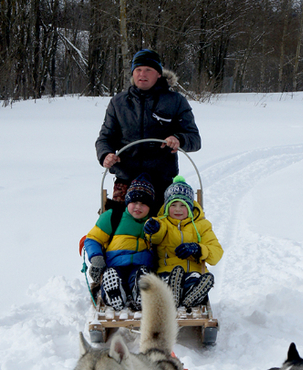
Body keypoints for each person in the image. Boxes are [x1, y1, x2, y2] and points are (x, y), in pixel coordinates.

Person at [95, 49, 201, 209]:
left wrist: (179, 139)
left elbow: (194, 139)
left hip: (161, 182)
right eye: (138, 69)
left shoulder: (175, 101)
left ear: (159, 74)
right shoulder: (119, 103)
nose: (142, 74)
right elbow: (105, 138)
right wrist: (105, 155)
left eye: (148, 70)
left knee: (160, 230)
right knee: (118, 229)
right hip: (125, 181)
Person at [143, 177, 223, 309]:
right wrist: (152, 228)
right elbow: (155, 237)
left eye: (183, 205)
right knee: (171, 278)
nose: (178, 209)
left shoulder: (201, 225)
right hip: (167, 271)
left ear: (190, 207)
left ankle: (191, 296)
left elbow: (216, 253)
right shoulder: (162, 223)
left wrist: (198, 249)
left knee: (195, 280)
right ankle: (172, 294)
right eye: (173, 205)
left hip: (193, 270)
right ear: (167, 207)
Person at [83, 175, 155, 311]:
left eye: (144, 203)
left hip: (141, 264)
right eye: (135, 202)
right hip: (115, 263)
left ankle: (140, 291)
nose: (138, 207)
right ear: (127, 201)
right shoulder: (113, 216)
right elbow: (93, 238)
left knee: (141, 274)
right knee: (114, 276)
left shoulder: (153, 223)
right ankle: (113, 293)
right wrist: (96, 258)